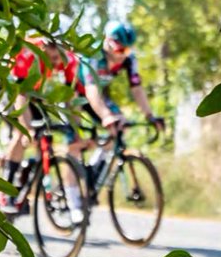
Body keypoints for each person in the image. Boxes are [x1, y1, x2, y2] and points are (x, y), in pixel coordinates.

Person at [0, 37, 80, 214]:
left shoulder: (69, 60)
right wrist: (27, 128)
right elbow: (20, 97)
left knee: (45, 134)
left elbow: (71, 98)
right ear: (43, 46)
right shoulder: (27, 53)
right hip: (13, 91)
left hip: (35, 94)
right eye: (53, 52)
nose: (57, 59)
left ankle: (25, 177)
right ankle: (6, 190)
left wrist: (74, 126)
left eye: (61, 53)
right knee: (22, 135)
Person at [67, 22, 165, 163]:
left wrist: (149, 116)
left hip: (98, 96)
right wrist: (106, 115)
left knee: (119, 126)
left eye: (127, 51)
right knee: (74, 143)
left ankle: (95, 169)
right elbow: (91, 88)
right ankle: (71, 185)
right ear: (108, 42)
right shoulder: (93, 54)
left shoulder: (129, 59)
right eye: (120, 50)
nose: (123, 56)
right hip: (76, 94)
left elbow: (137, 89)